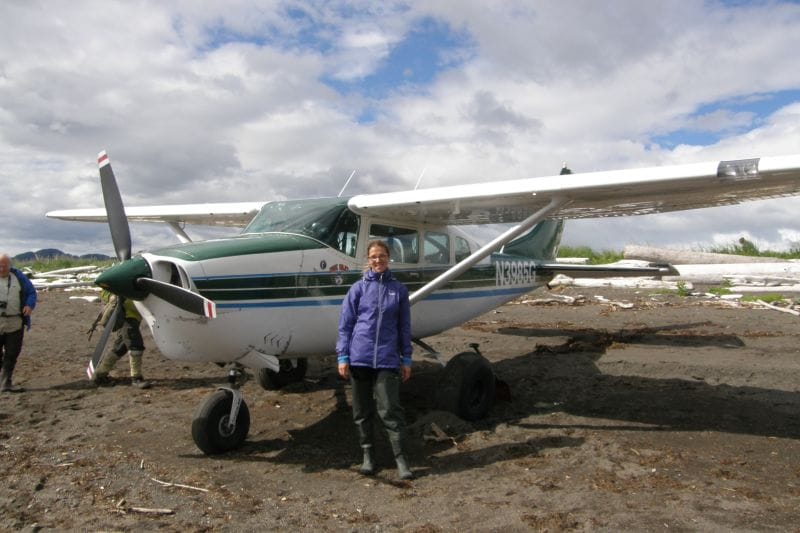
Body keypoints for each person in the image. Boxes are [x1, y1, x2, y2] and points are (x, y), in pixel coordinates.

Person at [336, 240, 414, 480]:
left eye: (381, 256)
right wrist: (343, 356)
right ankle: (368, 455)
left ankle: (401, 459)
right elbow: (346, 325)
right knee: (361, 411)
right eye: (373, 257)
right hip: (360, 358)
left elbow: (404, 327)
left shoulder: (398, 290)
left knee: (391, 410)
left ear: (388, 257)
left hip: (387, 359)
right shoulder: (358, 289)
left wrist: (407, 358)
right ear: (368, 260)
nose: (378, 260)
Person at [92, 291, 151, 389]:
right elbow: (104, 291)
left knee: (121, 346)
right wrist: (111, 297)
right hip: (124, 314)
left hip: (135, 314)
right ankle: (136, 378)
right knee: (135, 343)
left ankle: (100, 374)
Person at [0, 253, 37, 393]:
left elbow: (31, 292)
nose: (2, 269)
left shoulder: (19, 277)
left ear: (10, 265)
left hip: (15, 322)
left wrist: (29, 305)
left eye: (4, 266)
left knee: (12, 354)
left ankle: (6, 383)